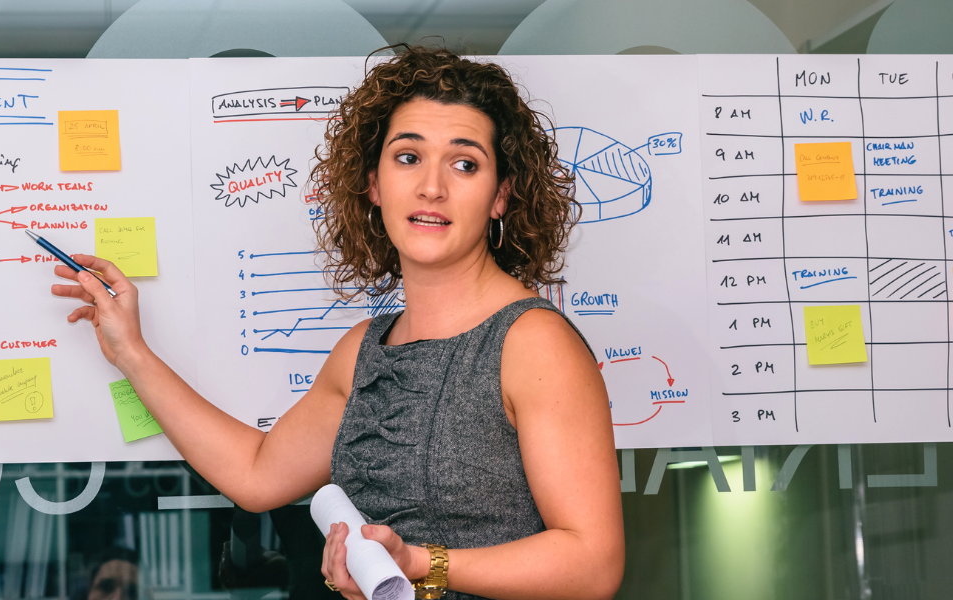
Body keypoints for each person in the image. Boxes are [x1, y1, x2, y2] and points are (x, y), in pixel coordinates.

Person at [50, 45, 623, 600]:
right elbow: (255, 475)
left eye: (465, 163)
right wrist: (132, 352)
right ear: (373, 185)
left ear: (500, 197)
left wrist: (422, 564)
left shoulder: (533, 343)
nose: (432, 186)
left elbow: (593, 564)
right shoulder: (365, 350)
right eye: (408, 156)